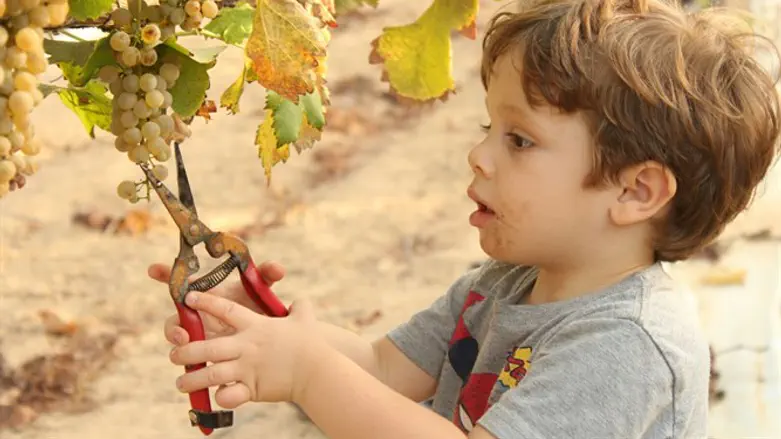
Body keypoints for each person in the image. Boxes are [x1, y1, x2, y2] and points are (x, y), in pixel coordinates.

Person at [149, 0, 781, 437]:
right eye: (489, 128)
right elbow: (381, 371)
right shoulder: (501, 285)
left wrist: (309, 374)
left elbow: (346, 386)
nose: (478, 156)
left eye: (520, 141)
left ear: (637, 190)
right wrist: (275, 334)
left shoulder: (629, 346)